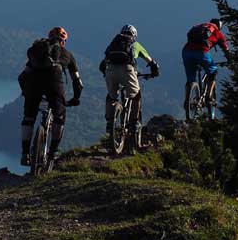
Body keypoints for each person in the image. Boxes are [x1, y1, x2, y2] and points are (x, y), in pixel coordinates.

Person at [18, 27, 83, 166]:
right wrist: (76, 98)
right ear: (63, 42)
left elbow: (22, 76)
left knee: (28, 118)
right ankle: (53, 151)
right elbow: (77, 82)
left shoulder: (38, 54)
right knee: (59, 116)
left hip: (33, 83)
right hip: (54, 82)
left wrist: (26, 93)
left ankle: (25, 153)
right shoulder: (68, 55)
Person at [99, 24, 159, 150]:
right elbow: (151, 61)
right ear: (134, 36)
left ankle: (110, 120)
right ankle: (134, 122)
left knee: (111, 96)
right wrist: (154, 71)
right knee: (136, 96)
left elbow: (102, 64)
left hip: (110, 71)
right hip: (127, 70)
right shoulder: (135, 45)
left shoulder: (113, 43)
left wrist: (107, 73)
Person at [182, 18, 230, 120]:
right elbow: (226, 49)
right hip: (201, 53)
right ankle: (208, 96)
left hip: (186, 52)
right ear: (219, 26)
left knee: (190, 79)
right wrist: (230, 59)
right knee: (213, 71)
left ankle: (187, 100)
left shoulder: (200, 26)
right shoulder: (218, 33)